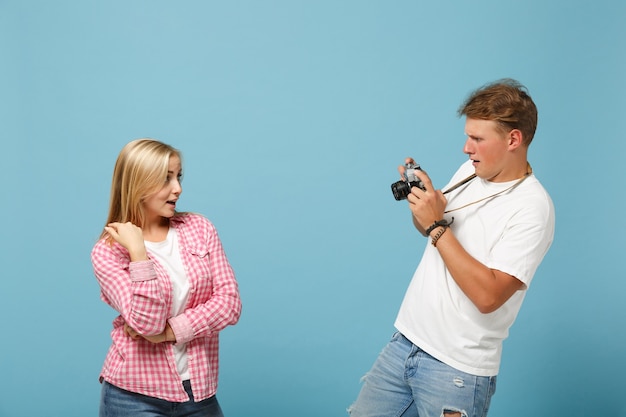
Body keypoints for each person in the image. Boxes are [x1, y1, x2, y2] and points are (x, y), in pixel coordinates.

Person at [348, 79, 555, 417]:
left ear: (513, 139)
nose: (466, 149)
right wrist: (425, 205)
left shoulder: (533, 208)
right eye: (467, 137)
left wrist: (436, 224)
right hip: (406, 342)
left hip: (456, 369)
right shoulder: (470, 173)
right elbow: (431, 232)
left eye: (477, 139)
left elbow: (488, 296)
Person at [91, 138, 242, 417]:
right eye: (166, 179)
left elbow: (229, 304)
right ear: (138, 184)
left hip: (198, 391)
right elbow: (147, 323)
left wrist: (170, 333)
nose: (178, 189)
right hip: (133, 397)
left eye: (178, 176)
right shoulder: (108, 252)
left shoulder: (199, 228)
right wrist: (139, 253)